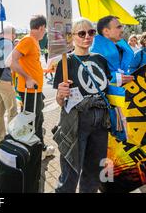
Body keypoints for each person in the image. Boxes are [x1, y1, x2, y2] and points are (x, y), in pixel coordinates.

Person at [53, 18, 111, 193]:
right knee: (70, 173)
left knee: (94, 172)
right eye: (82, 33)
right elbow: (60, 101)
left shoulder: (100, 59)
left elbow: (107, 89)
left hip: (101, 123)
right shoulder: (66, 61)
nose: (87, 37)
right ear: (72, 37)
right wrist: (60, 95)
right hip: (76, 123)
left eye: (91, 32)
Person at [9, 15, 55, 159]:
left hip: (35, 90)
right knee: (33, 120)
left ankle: (35, 148)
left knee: (37, 119)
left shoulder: (33, 42)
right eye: (44, 29)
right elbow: (12, 61)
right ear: (41, 27)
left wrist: (46, 71)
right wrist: (28, 78)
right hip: (30, 90)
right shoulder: (28, 40)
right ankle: (36, 150)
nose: (45, 32)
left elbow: (30, 65)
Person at [91, 16, 134, 87]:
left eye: (122, 27)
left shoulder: (122, 46)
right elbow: (92, 75)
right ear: (106, 31)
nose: (122, 30)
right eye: (118, 27)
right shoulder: (93, 52)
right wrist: (115, 78)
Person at [0, 25, 18, 142]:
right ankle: (13, 138)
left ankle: (1, 137)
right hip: (5, 80)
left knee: (0, 110)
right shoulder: (7, 43)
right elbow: (9, 63)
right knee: (12, 110)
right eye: (14, 34)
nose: (15, 37)